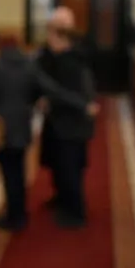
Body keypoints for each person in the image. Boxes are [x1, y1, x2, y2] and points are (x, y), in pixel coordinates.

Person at [0, 33, 97, 232]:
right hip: (23, 127)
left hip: (3, 128)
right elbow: (53, 90)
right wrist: (83, 104)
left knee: (9, 173)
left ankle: (15, 217)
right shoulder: (28, 65)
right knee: (19, 172)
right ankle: (20, 214)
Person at [37, 26, 99, 229]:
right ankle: (63, 199)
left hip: (71, 125)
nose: (49, 42)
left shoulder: (71, 63)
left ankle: (75, 212)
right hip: (62, 123)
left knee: (70, 169)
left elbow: (65, 94)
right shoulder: (60, 60)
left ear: (63, 40)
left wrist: (50, 100)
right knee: (59, 166)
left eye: (52, 38)